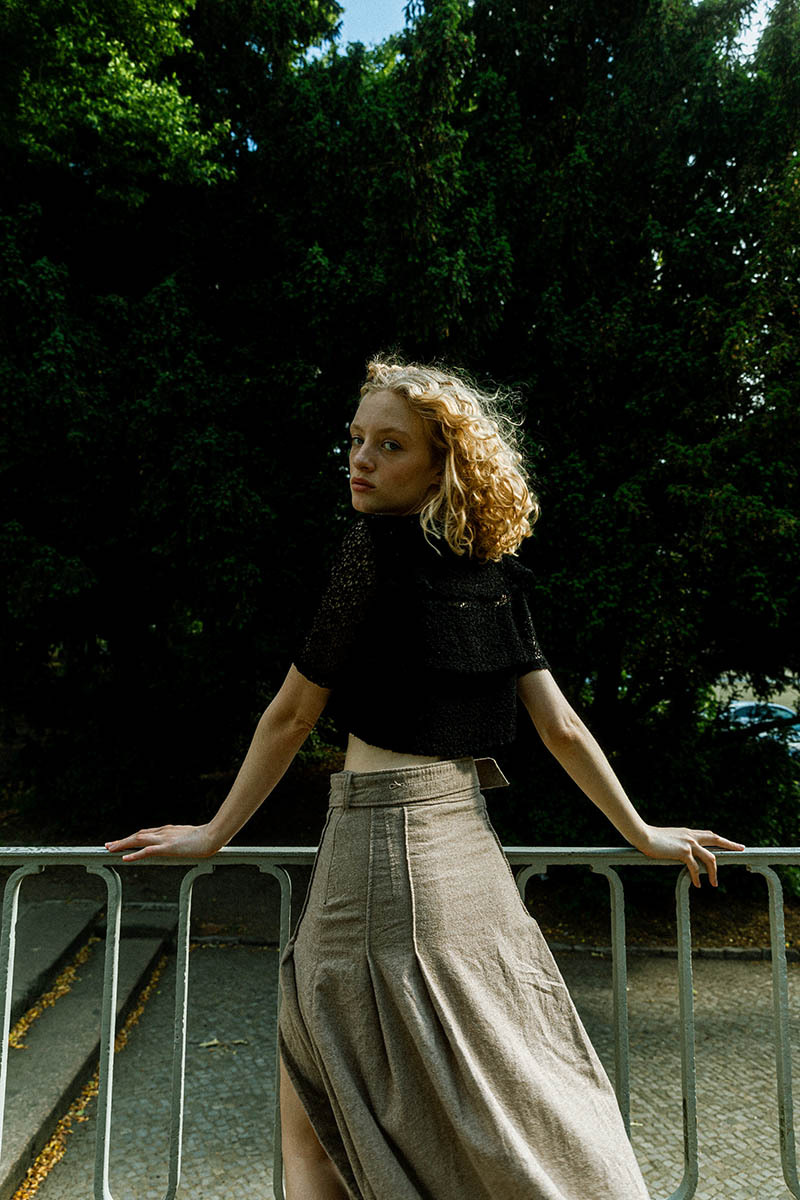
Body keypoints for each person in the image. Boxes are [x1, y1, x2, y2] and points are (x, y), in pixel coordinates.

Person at [107, 359, 744, 1200]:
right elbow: (561, 727)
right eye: (355, 441)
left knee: (320, 1113)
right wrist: (642, 834)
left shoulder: (370, 554)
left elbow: (292, 716)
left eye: (389, 446)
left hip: (378, 857)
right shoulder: (492, 573)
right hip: (469, 856)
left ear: (442, 466)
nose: (361, 461)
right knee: (501, 1083)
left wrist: (211, 834)